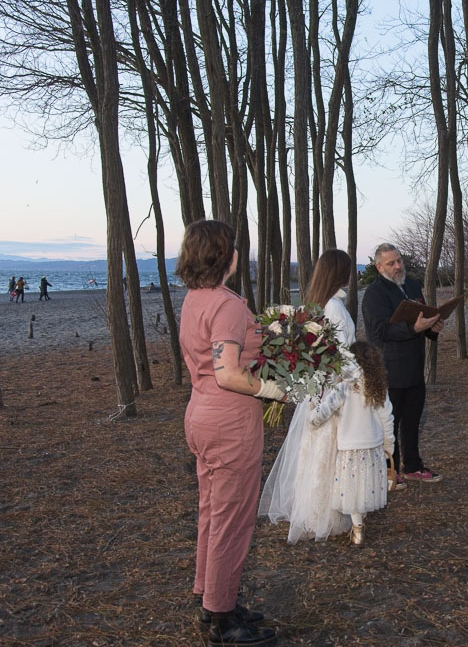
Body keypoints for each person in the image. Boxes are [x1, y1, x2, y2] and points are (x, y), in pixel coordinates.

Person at [176, 220, 281, 646]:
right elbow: (229, 373)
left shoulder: (195, 298)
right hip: (229, 420)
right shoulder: (227, 304)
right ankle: (222, 619)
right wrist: (276, 389)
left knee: (211, 512)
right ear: (229, 256)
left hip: (200, 413)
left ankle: (212, 598)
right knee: (231, 519)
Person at [259, 248, 358, 544]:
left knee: (315, 448)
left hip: (319, 387)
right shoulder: (335, 308)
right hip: (332, 388)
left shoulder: (317, 306)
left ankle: (313, 509)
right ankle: (324, 512)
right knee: (328, 450)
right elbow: (339, 355)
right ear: (341, 273)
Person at [361, 243, 444, 484]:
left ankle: (413, 466)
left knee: (413, 419)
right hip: (389, 368)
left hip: (414, 366)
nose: (398, 266)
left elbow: (423, 318)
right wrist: (413, 328)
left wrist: (432, 328)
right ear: (379, 267)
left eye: (399, 261)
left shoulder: (412, 285)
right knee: (389, 422)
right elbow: (378, 331)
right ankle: (390, 470)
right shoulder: (375, 294)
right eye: (391, 263)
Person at [306, 341, 395, 547]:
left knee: (352, 489)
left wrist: (312, 418)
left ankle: (357, 529)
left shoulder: (343, 387)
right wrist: (389, 445)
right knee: (364, 487)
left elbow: (325, 410)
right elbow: (387, 417)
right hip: (372, 447)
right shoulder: (377, 387)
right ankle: (360, 521)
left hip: (349, 448)